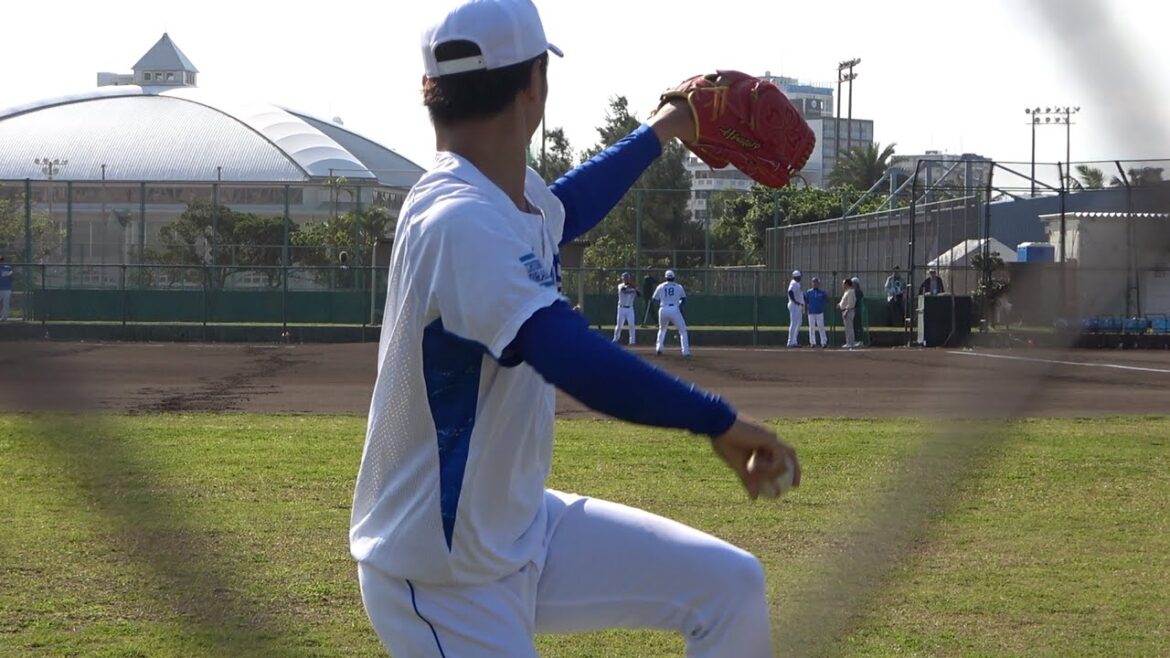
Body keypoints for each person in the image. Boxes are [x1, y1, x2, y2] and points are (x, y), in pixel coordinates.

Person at [350, 3, 800, 657]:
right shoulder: (457, 220)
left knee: (730, 586)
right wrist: (719, 421)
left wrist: (668, 125)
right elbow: (568, 354)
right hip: (439, 576)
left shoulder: (502, 196)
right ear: (534, 85)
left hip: (518, 527)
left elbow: (567, 206)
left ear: (431, 91)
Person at [653, 269, 691, 357]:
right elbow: (684, 299)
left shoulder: (660, 286)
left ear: (666, 277)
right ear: (673, 277)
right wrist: (679, 304)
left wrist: (663, 303)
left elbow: (654, 299)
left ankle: (659, 348)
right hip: (674, 308)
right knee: (683, 331)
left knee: (662, 329)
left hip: (663, 308)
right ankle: (685, 352)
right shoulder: (678, 286)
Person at [612, 271, 639, 345]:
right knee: (619, 325)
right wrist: (632, 287)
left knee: (632, 325)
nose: (626, 279)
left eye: (627, 278)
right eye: (624, 278)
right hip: (621, 308)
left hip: (630, 308)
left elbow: (639, 294)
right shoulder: (620, 285)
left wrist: (635, 288)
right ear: (622, 279)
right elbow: (623, 289)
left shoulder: (633, 287)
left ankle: (632, 341)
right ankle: (615, 339)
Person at [805, 276, 829, 348]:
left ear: (819, 284)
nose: (815, 284)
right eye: (814, 282)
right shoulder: (809, 292)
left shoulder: (822, 292)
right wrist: (806, 310)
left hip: (819, 312)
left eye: (816, 283)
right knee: (811, 328)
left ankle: (823, 342)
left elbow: (827, 299)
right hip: (811, 312)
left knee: (821, 327)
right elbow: (806, 301)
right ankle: (812, 342)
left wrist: (827, 294)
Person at [786, 269, 805, 348]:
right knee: (794, 323)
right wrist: (795, 301)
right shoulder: (793, 283)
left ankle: (794, 341)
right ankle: (790, 342)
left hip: (797, 305)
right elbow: (790, 292)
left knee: (798, 322)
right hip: (794, 305)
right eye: (800, 276)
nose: (800, 278)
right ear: (797, 277)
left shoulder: (796, 283)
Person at [838, 277, 857, 349]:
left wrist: (847, 310)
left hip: (848, 311)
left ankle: (851, 343)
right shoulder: (847, 292)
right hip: (845, 311)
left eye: (843, 284)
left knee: (849, 328)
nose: (842, 285)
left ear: (847, 284)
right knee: (847, 328)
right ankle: (848, 342)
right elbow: (844, 301)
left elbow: (851, 302)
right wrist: (839, 304)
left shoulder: (851, 291)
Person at [851, 276, 866, 348]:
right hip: (853, 311)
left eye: (854, 283)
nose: (852, 284)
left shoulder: (858, 292)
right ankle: (855, 341)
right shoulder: (852, 291)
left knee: (857, 326)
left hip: (857, 311)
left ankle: (859, 341)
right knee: (853, 326)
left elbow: (855, 301)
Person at [0, 256, 12, 321]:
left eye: (1, 260)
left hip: (7, 289)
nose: (0, 262)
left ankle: (4, 318)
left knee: (6, 303)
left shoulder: (8, 267)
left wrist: (10, 274)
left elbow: (11, 275)